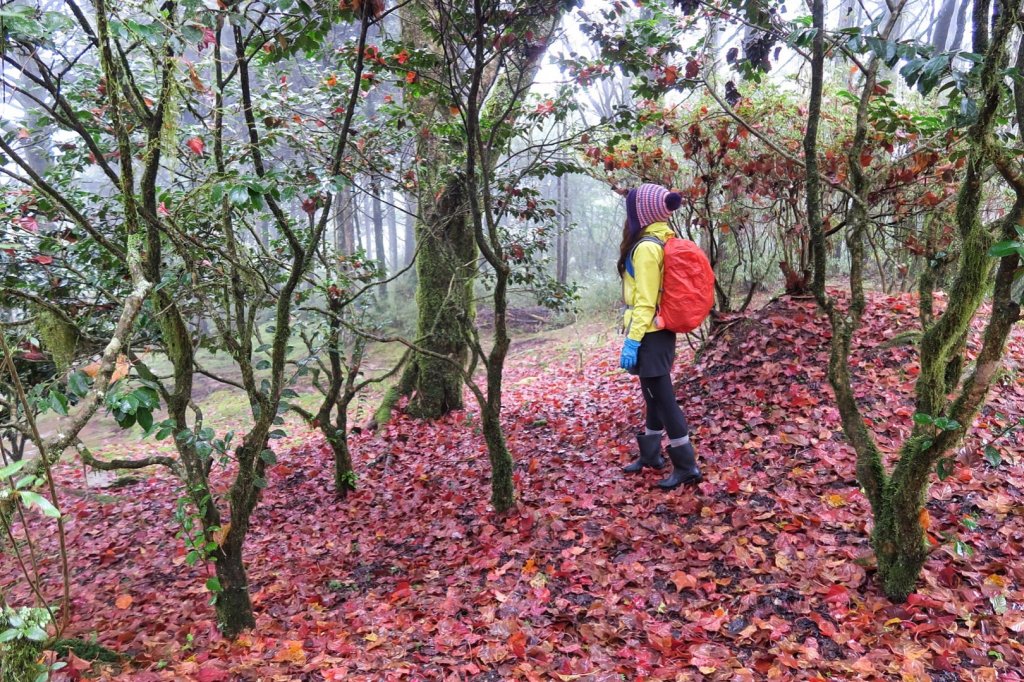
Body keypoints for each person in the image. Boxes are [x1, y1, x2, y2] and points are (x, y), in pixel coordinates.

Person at [617, 183, 702, 489]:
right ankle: (651, 455)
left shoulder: (646, 248)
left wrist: (633, 340)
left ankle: (686, 465)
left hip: (651, 333)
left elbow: (645, 301)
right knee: (652, 397)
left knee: (664, 400)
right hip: (657, 331)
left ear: (641, 212)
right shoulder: (659, 240)